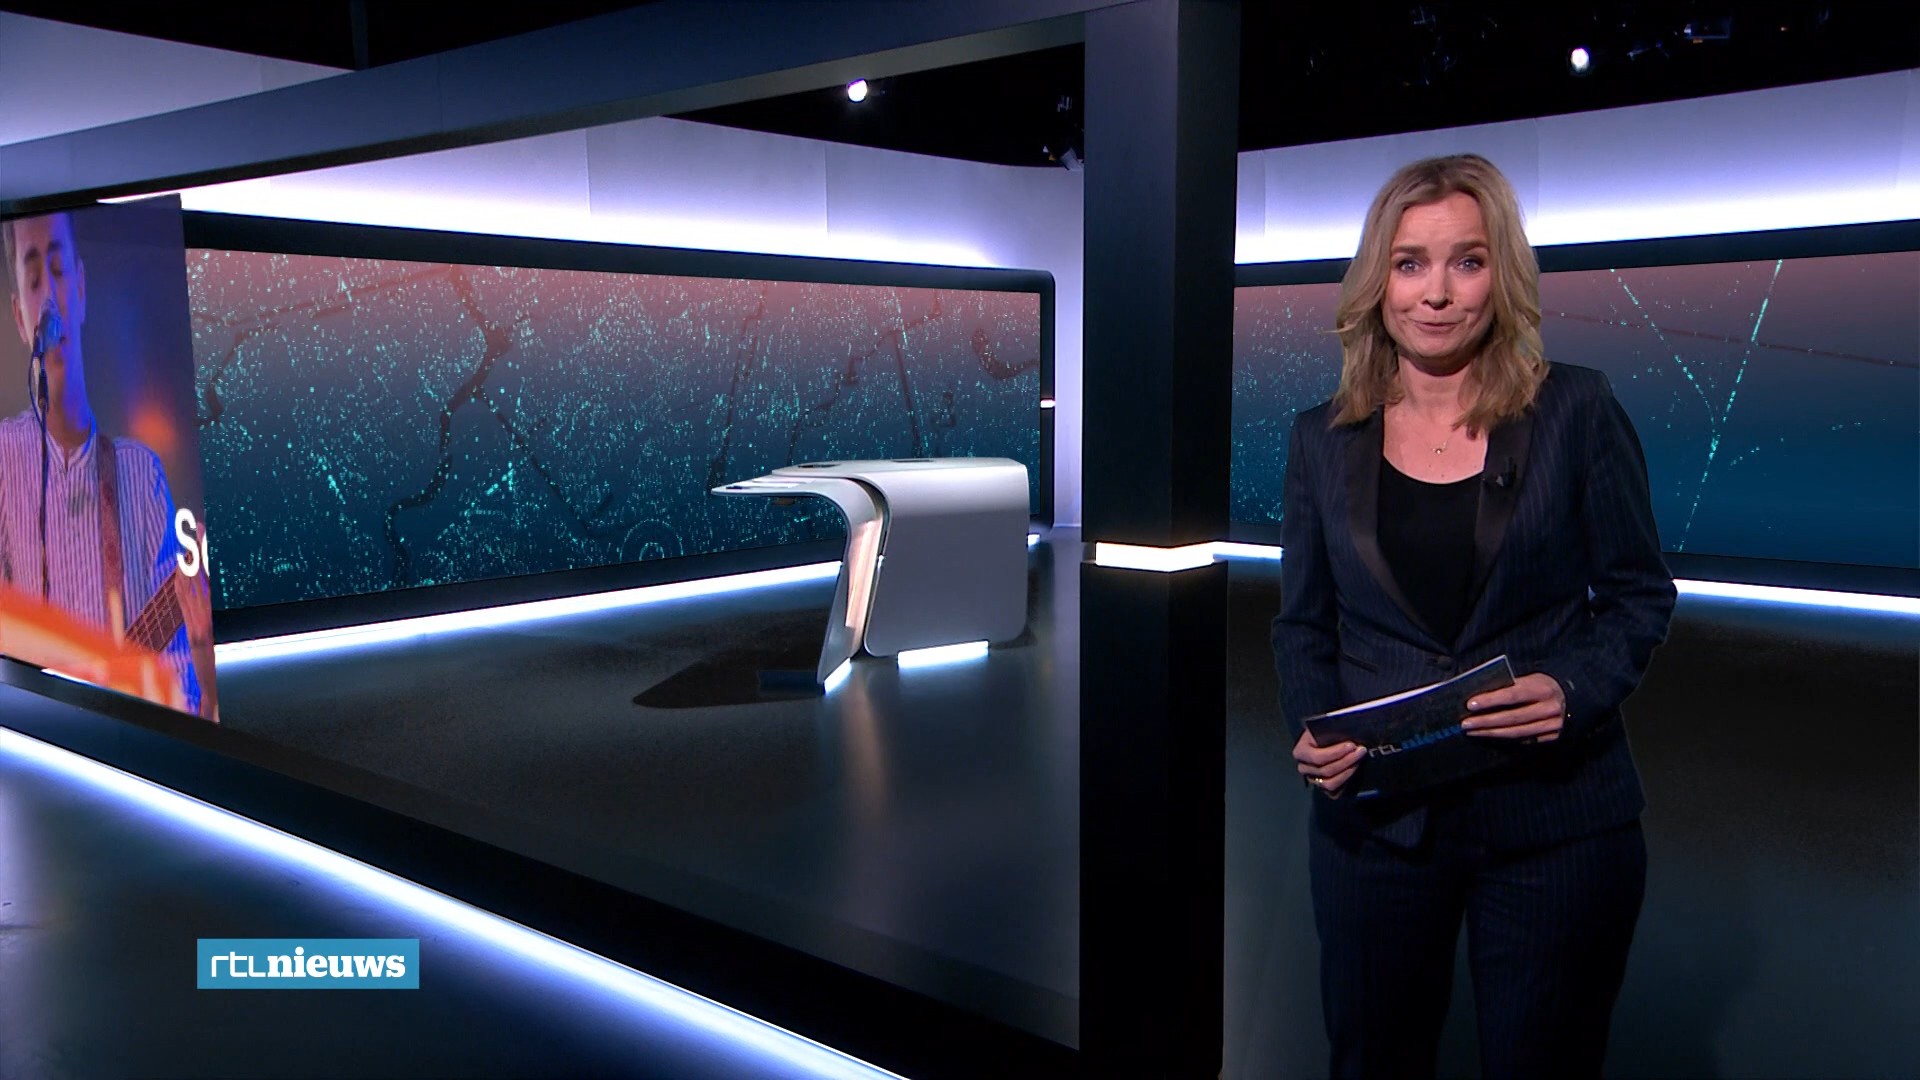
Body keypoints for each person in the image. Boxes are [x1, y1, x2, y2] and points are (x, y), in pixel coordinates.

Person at [1271, 154, 1675, 1079]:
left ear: (1504, 275)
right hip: (1377, 824)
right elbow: (1302, 623)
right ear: (1376, 282)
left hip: (1556, 820)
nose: (1437, 294)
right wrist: (1315, 726)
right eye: (1409, 263)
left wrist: (1572, 688)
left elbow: (1637, 593)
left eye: (1468, 261)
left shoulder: (1577, 409)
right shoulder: (1320, 438)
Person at [0, 209, 209, 718]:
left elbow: (183, 690)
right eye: (33, 279)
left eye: (58, 270)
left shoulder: (140, 473)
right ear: (20, 316)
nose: (50, 297)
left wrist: (202, 646)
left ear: (81, 287)